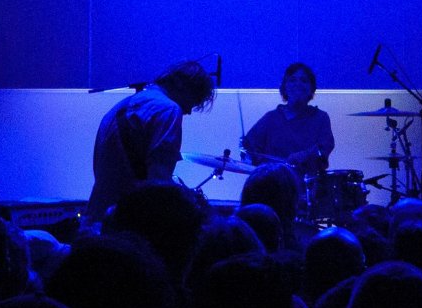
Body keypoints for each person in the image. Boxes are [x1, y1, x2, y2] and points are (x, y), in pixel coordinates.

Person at [88, 62, 217, 219]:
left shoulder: (122, 106)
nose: (189, 110)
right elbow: (158, 183)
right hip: (131, 223)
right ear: (180, 83)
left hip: (99, 216)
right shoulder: (168, 109)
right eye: (194, 98)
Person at [243, 63, 334, 174]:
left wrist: (305, 155)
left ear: (311, 89)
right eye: (292, 80)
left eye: (304, 80)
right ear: (285, 88)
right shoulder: (271, 118)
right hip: (274, 184)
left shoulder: (320, 118)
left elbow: (324, 147)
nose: (298, 84)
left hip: (308, 186)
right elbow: (249, 149)